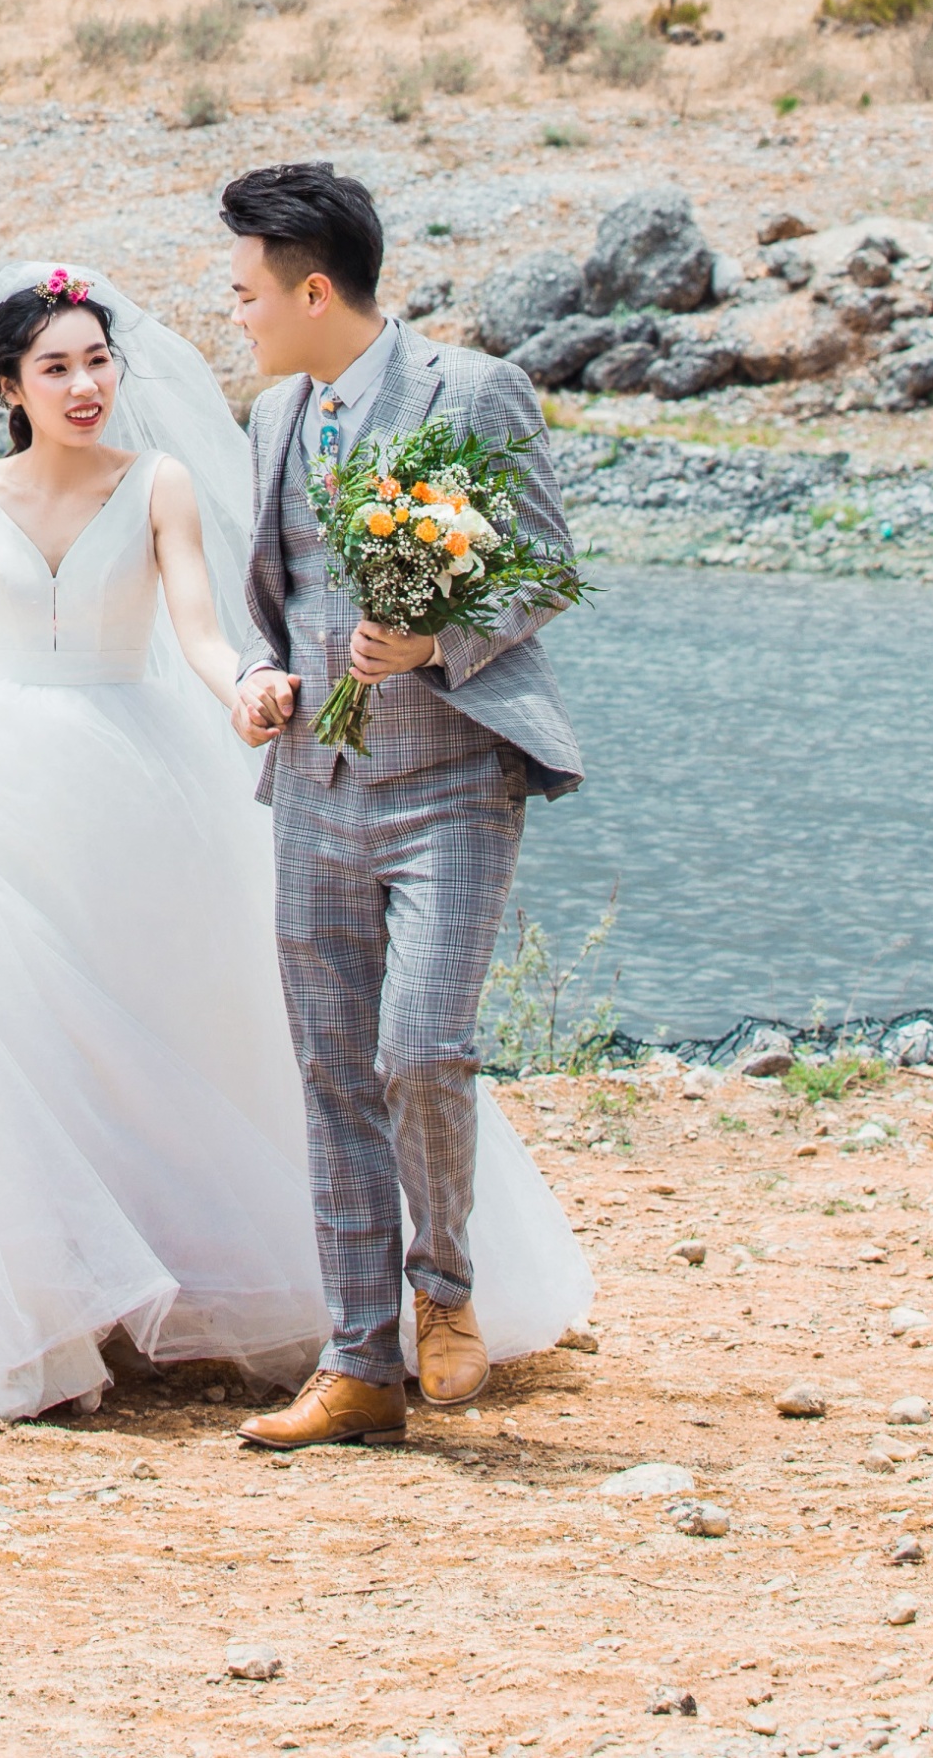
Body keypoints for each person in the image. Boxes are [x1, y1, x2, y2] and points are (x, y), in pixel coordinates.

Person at [0, 258, 588, 1421]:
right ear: (7, 386)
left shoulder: (158, 482)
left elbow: (204, 633)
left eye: (97, 362)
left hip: (129, 769)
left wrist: (249, 692)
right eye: (56, 368)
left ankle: (233, 1285)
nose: (85, 386)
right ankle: (38, 1299)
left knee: (155, 1024)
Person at [223, 158, 586, 1453]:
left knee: (420, 1049)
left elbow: (545, 564)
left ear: (313, 290)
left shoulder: (472, 391)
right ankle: (358, 1366)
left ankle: (444, 1291)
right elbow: (268, 598)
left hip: (450, 783)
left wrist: (435, 642)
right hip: (311, 786)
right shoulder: (271, 416)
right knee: (330, 1072)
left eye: (247, 293)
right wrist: (259, 675)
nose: (237, 314)